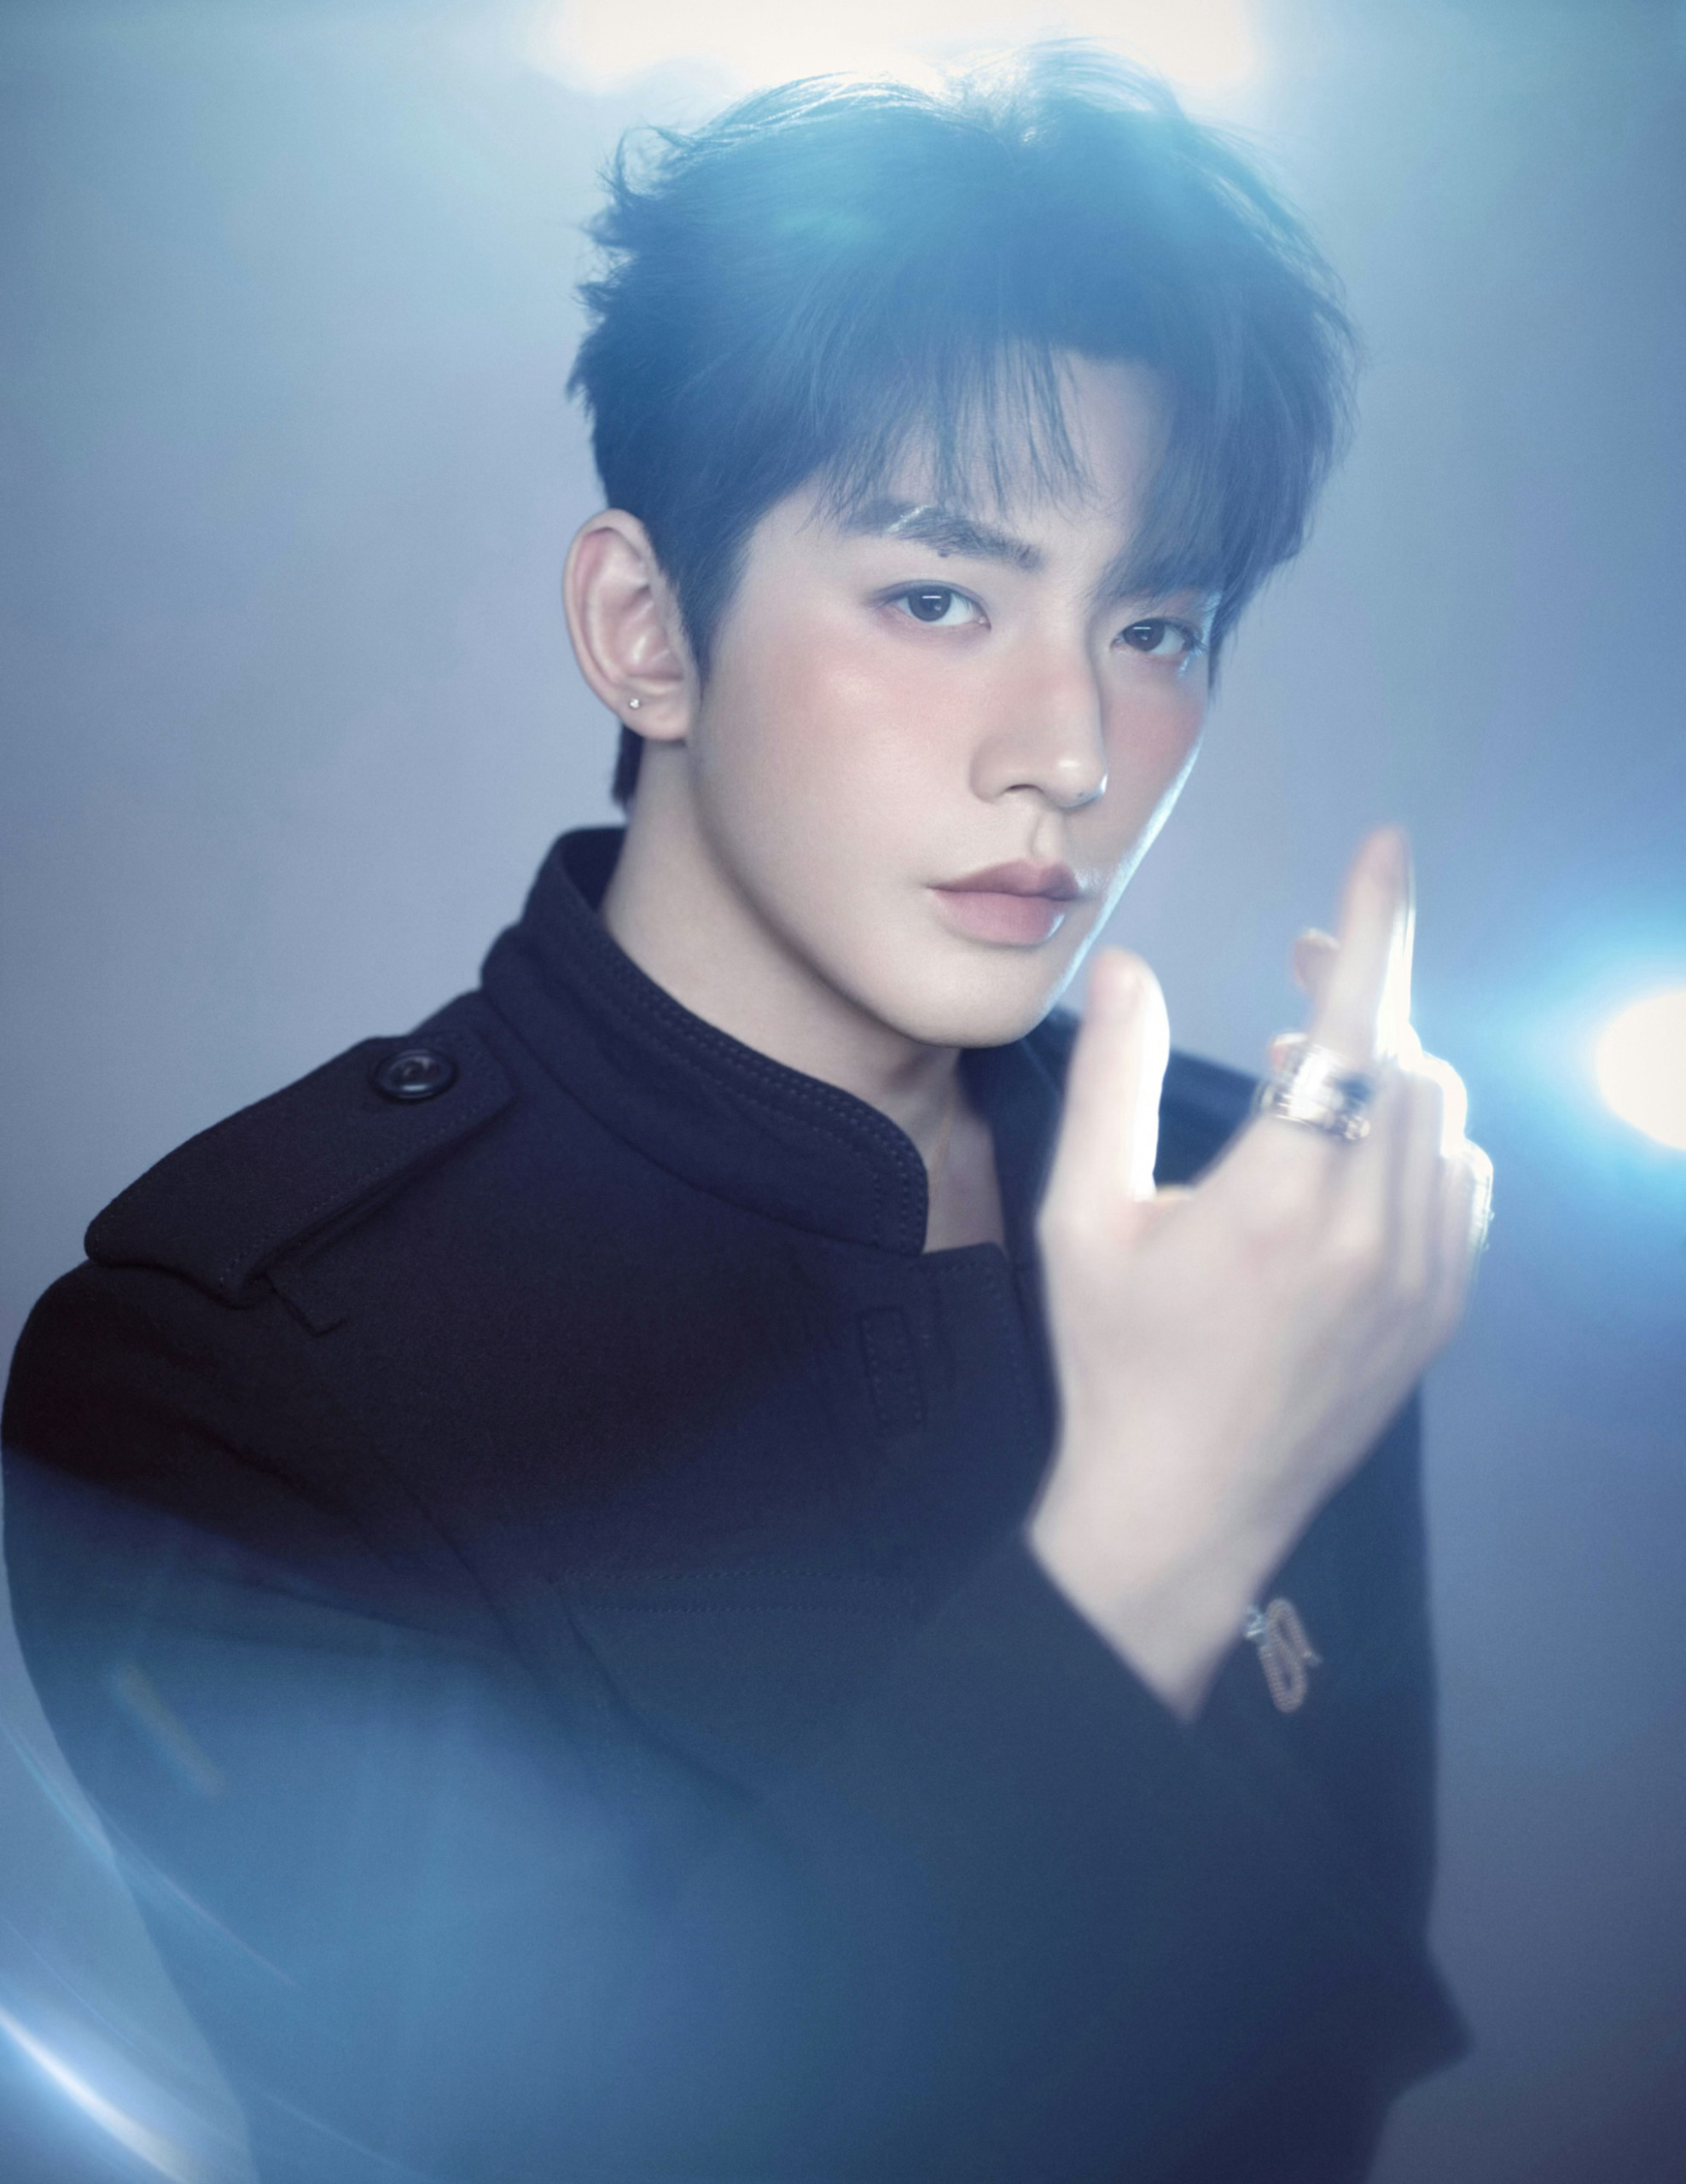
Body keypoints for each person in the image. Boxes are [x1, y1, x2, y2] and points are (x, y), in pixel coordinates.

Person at [3, 45, 1491, 2184]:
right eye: (938, 596)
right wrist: (1147, 1538)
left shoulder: (1273, 1219)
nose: (1073, 748)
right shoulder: (219, 1368)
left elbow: (1324, 2053)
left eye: (1154, 622)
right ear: (645, 627)